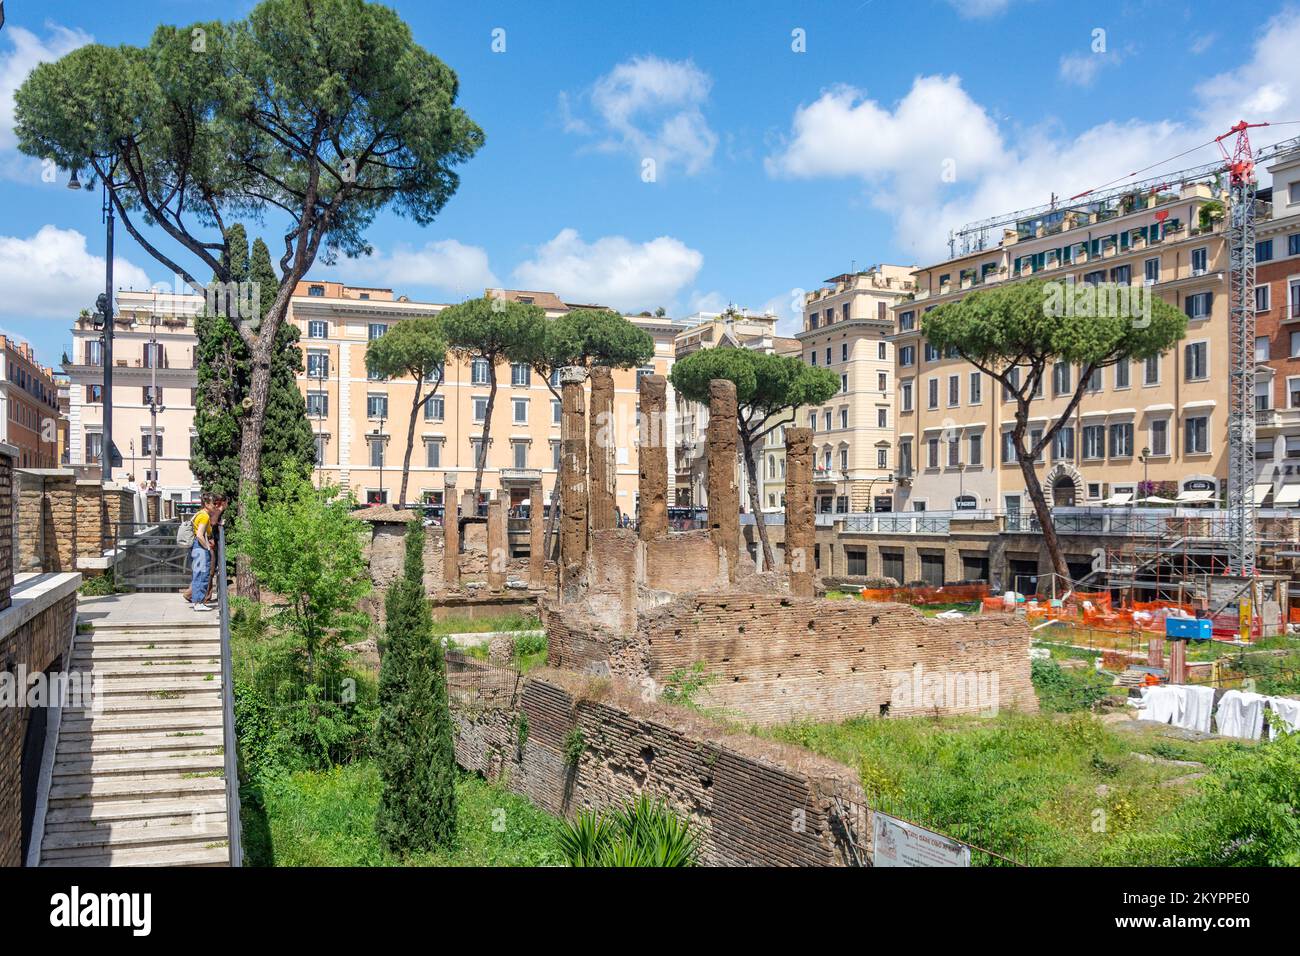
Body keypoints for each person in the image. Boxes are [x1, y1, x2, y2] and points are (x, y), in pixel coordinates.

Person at [188, 496, 223, 612]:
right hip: (200, 548)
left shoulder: (200, 514)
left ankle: (197, 602)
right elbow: (199, 535)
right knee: (202, 575)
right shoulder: (204, 516)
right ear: (207, 504)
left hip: (197, 548)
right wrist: (207, 547)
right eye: (213, 504)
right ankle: (199, 602)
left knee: (198, 575)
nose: (215, 506)